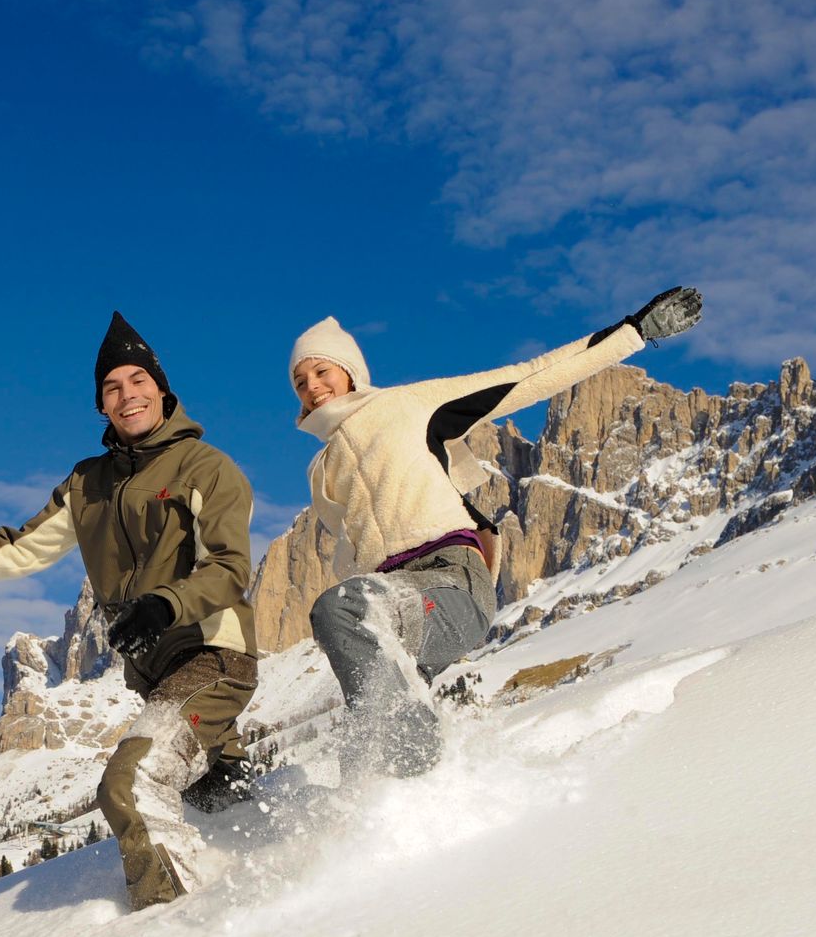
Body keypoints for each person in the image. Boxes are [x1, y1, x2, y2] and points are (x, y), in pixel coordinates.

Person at [0, 312, 258, 910]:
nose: (127, 396)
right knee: (226, 806)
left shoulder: (205, 468)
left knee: (131, 783)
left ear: (162, 388)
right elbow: (15, 550)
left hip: (212, 658)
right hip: (155, 678)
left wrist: (163, 605)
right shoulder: (87, 484)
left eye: (137, 381)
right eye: (112, 387)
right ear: (101, 404)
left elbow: (229, 568)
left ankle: (175, 929)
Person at [290, 287, 703, 777]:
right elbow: (356, 557)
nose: (312, 386)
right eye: (299, 381)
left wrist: (633, 332)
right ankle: (391, 810)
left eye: (321, 371)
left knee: (349, 615)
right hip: (395, 603)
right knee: (367, 729)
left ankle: (411, 760)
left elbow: (525, 377)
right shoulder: (323, 468)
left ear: (350, 371)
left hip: (451, 584)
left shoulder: (408, 406)